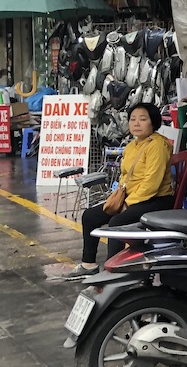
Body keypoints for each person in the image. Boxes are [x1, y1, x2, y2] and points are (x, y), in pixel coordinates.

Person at [70, 102, 176, 278]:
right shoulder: (132, 146)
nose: (136, 123)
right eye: (133, 119)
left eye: (142, 119)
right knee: (89, 216)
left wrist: (128, 203)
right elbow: (124, 177)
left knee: (117, 222)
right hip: (131, 196)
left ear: (153, 122)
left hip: (156, 199)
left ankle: (114, 270)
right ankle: (88, 265)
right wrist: (117, 198)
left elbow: (152, 182)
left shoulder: (158, 145)